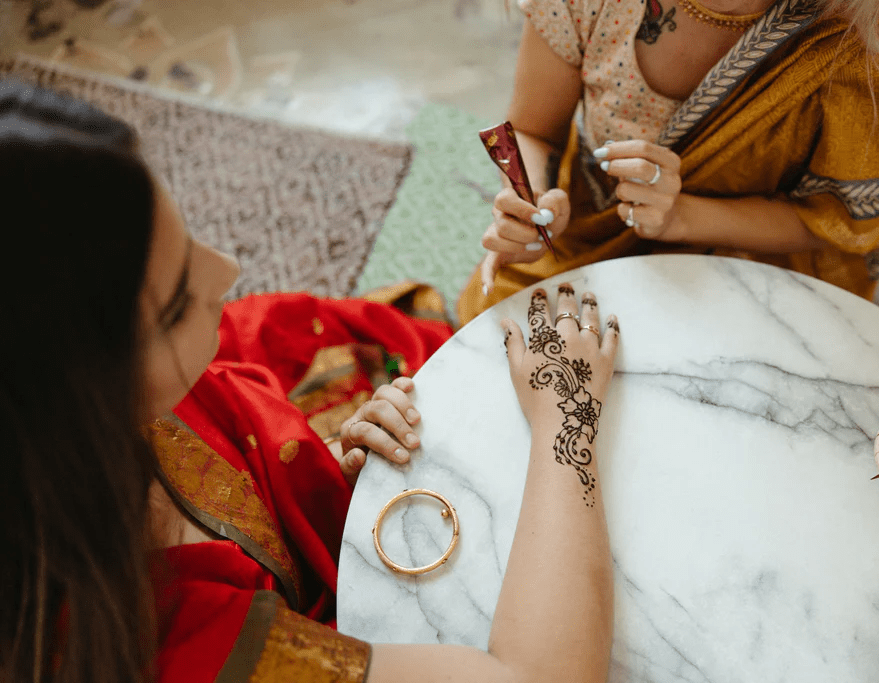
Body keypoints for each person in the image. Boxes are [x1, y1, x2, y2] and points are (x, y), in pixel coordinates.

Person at [0, 81, 620, 683]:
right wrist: (569, 416)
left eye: (190, 244)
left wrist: (335, 475)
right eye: (178, 303)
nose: (230, 270)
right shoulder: (164, 647)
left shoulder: (64, 425)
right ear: (76, 408)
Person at [457, 0, 879, 324]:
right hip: (594, 230)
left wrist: (682, 216)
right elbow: (534, 129)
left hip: (763, 271)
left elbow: (841, 219)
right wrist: (534, 204)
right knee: (493, 327)